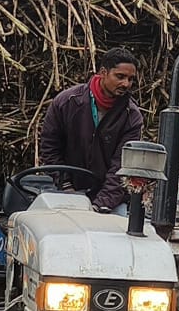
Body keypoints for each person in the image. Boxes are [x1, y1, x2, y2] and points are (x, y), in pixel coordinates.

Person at [37, 47, 143, 214]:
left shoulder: (132, 117)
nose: (126, 84)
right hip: (65, 192)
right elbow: (50, 148)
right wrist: (66, 186)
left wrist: (98, 206)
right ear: (103, 72)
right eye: (120, 77)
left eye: (130, 79)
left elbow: (122, 168)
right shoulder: (67, 102)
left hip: (108, 199)